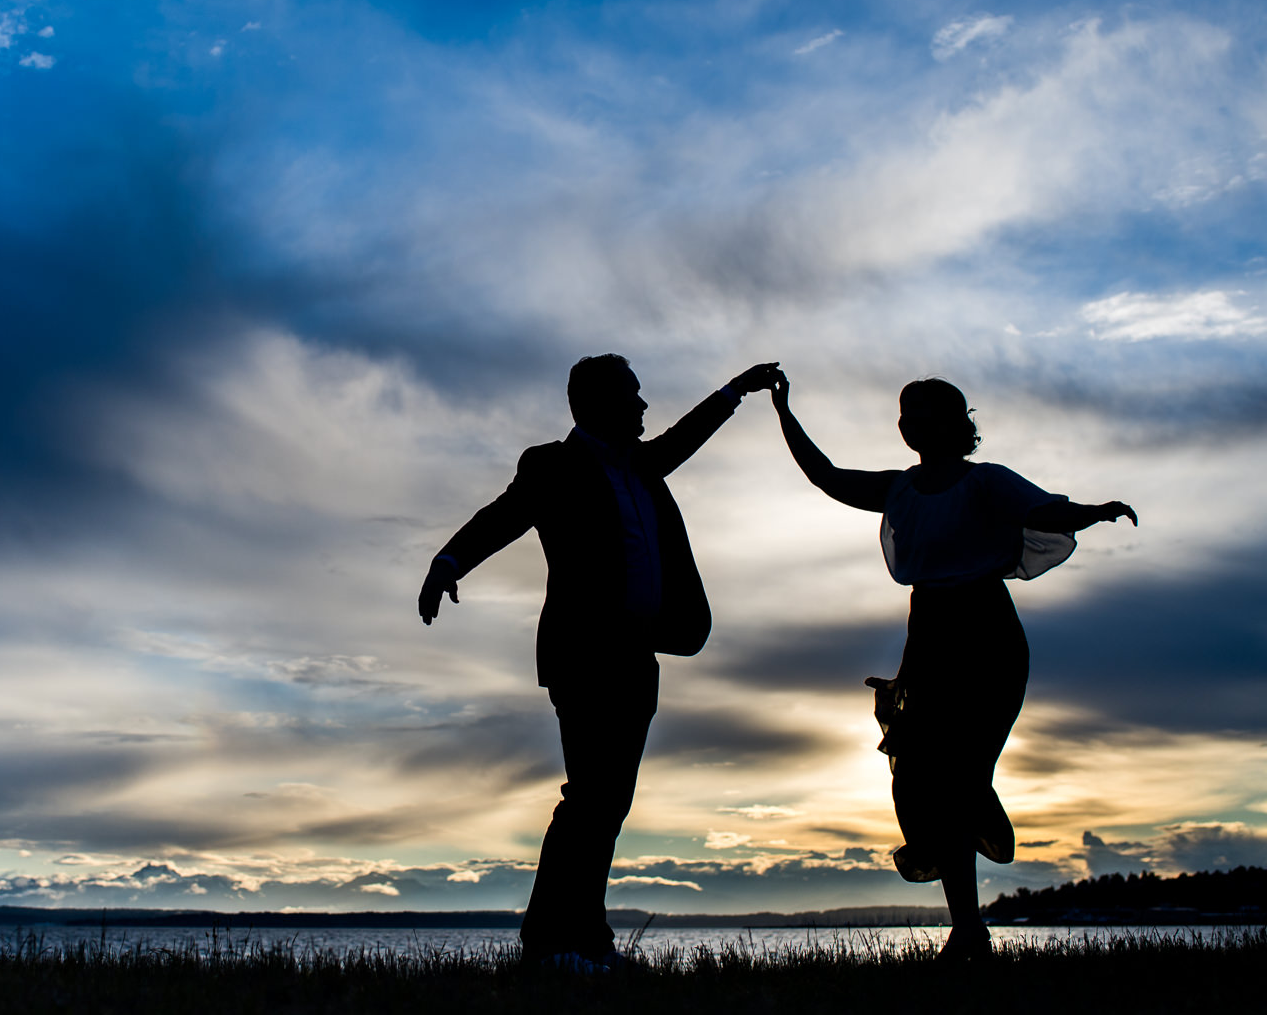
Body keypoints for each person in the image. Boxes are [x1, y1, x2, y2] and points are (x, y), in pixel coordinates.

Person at [418, 354, 781, 972]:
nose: (643, 408)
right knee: (589, 798)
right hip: (583, 656)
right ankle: (546, 943)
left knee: (609, 803)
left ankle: (586, 939)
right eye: (632, 397)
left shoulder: (642, 464)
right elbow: (502, 517)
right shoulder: (552, 465)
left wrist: (735, 392)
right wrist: (448, 562)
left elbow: (682, 438)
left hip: (639, 657)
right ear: (597, 404)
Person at [769, 373, 1136, 962]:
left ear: (955, 421)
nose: (906, 422)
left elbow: (1043, 508)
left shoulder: (985, 481)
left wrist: (1095, 510)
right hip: (930, 636)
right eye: (901, 413)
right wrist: (784, 411)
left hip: (987, 636)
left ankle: (970, 912)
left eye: (919, 411)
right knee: (929, 781)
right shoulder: (900, 490)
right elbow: (828, 478)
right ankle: (968, 928)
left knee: (958, 776)